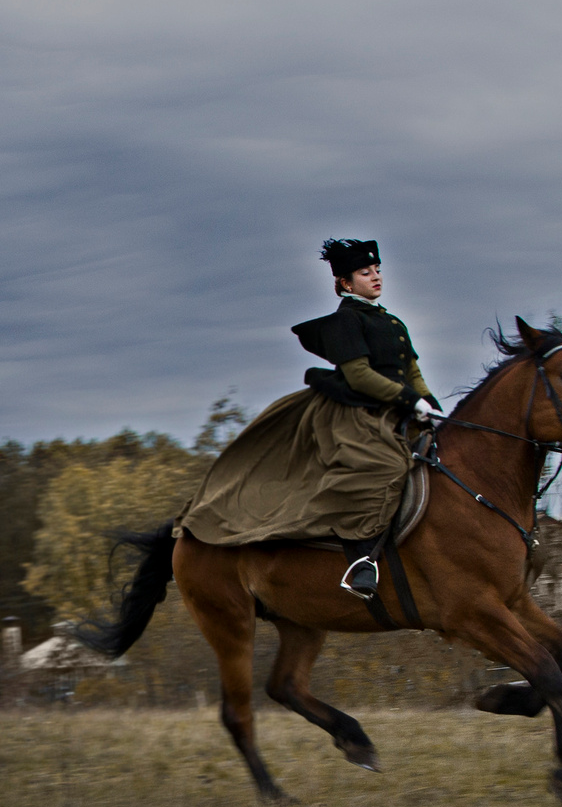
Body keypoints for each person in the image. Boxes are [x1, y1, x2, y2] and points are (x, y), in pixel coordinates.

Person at [178, 237, 436, 597]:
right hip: (355, 412)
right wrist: (409, 399)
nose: (376, 277)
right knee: (382, 466)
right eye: (366, 273)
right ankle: (362, 561)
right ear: (346, 284)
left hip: (398, 408)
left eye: (378, 270)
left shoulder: (393, 323)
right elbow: (359, 375)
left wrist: (430, 405)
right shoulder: (346, 321)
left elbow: (412, 371)